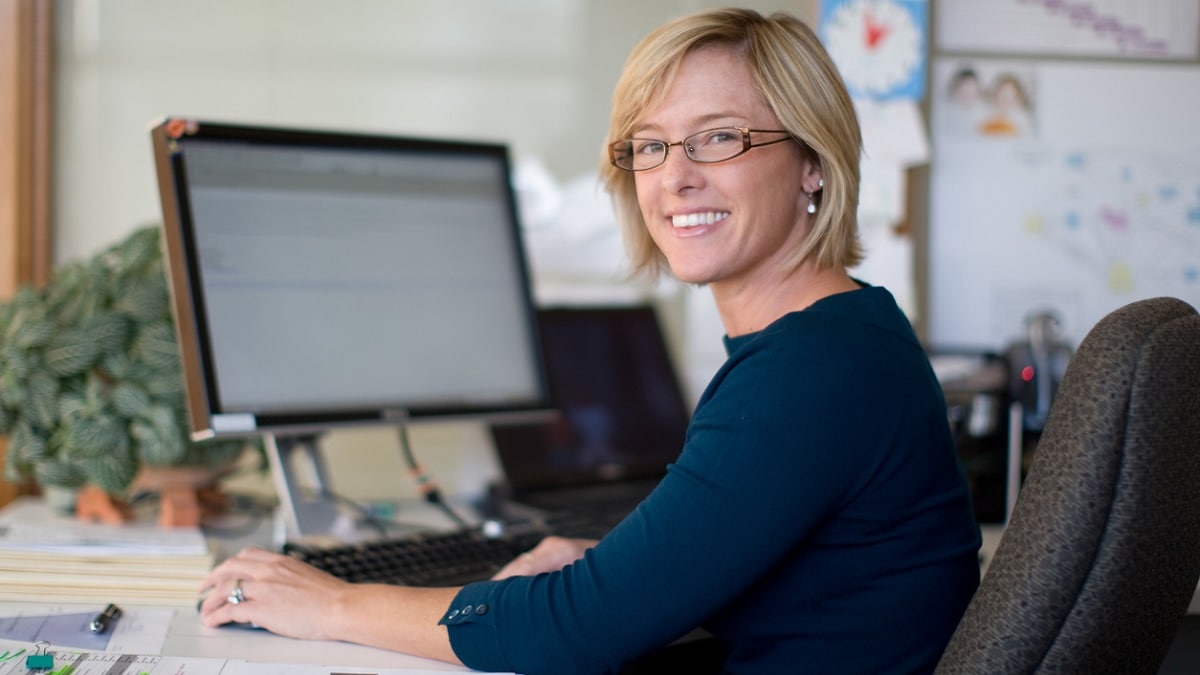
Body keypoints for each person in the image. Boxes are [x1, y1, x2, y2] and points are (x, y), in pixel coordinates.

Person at [198, 8, 982, 674]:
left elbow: (579, 627)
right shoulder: (847, 335)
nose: (674, 177)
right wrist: (607, 567)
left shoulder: (814, 369)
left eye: (717, 138)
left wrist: (334, 600)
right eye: (650, 145)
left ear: (812, 162)